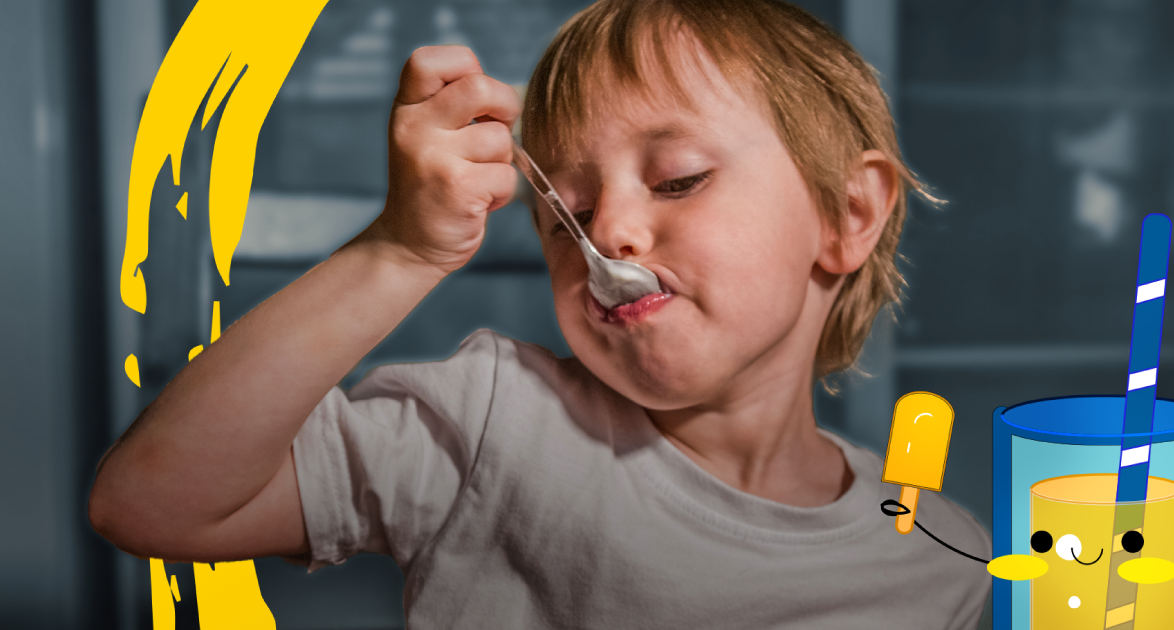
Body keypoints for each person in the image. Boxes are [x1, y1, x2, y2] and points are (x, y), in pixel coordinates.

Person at [90, 0, 992, 627]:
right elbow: (150, 506)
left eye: (678, 178)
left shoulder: (941, 555)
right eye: (567, 212)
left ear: (849, 215)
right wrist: (399, 252)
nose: (613, 229)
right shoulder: (493, 423)